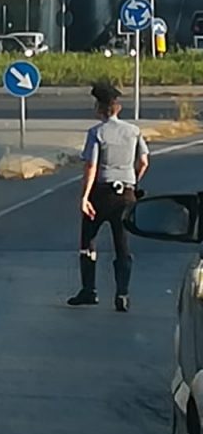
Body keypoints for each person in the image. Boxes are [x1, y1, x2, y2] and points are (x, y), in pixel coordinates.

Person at [69, 82, 149, 312]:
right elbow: (144, 161)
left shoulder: (96, 133)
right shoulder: (134, 131)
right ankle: (122, 294)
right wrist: (133, 180)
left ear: (100, 108)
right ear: (118, 108)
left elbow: (91, 166)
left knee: (88, 241)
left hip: (101, 194)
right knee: (122, 245)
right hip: (126, 194)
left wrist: (85, 197)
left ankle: (89, 291)